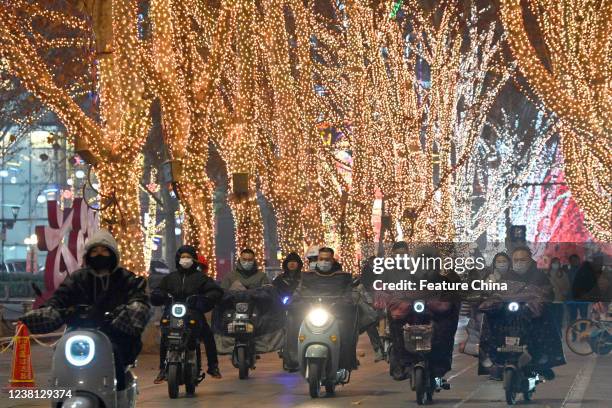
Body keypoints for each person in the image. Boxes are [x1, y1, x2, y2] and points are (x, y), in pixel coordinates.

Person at [19, 229, 151, 398]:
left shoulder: (126, 279)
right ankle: (60, 393)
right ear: (88, 255)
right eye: (94, 251)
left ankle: (117, 396)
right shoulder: (77, 278)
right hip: (78, 333)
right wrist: (53, 312)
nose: (99, 255)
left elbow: (139, 300)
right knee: (60, 354)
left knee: (116, 355)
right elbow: (59, 299)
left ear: (113, 253)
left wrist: (132, 311)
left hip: (116, 334)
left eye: (104, 251)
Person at [480, 246, 564, 381]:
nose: (519, 262)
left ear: (530, 260)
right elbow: (497, 293)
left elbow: (546, 294)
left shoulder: (540, 276)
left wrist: (536, 302)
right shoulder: (506, 277)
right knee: (489, 321)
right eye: (516, 260)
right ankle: (494, 363)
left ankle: (543, 361)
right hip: (509, 315)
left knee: (545, 321)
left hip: (530, 314)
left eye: (523, 259)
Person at [151, 245, 224, 384]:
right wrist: (159, 295)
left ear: (194, 259)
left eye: (188, 257)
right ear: (178, 259)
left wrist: (204, 299)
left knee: (207, 334)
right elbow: (159, 290)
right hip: (173, 311)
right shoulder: (170, 278)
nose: (185, 259)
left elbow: (215, 290)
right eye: (183, 257)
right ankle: (162, 368)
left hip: (193, 311)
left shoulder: (200, 277)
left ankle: (213, 366)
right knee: (165, 335)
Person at [293, 247, 358, 377]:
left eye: (327, 259)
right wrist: (294, 300)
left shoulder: (343, 277)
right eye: (321, 259)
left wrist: (346, 301)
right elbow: (299, 292)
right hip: (311, 313)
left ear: (333, 260)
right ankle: (292, 359)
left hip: (337, 314)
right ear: (317, 260)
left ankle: (344, 363)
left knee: (346, 332)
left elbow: (351, 293)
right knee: (293, 324)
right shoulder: (307, 277)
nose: (324, 262)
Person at [273, 252, 304, 372]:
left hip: (300, 310)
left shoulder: (303, 279)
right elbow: (273, 291)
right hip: (283, 310)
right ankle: (289, 358)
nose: (292, 264)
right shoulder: (280, 279)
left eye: (294, 261)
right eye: (289, 261)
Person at [360, 255, 385, 362]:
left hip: (389, 302)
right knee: (369, 324)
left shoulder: (387, 270)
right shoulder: (366, 273)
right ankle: (378, 349)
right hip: (373, 303)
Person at [546, 257, 570, 329]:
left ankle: (559, 329)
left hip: (560, 299)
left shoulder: (563, 273)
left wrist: (565, 291)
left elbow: (567, 284)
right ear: (551, 264)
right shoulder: (547, 274)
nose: (556, 264)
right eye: (554, 263)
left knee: (560, 316)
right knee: (552, 316)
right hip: (551, 299)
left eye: (557, 263)